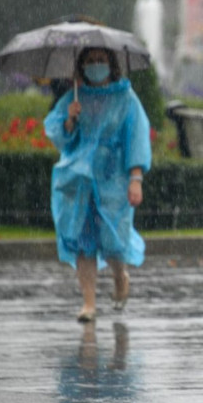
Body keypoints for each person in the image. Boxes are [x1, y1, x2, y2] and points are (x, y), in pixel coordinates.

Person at [45, 47, 151, 322]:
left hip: (113, 181)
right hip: (80, 182)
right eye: (90, 61)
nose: (95, 66)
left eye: (100, 60)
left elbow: (136, 138)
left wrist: (135, 179)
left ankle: (119, 275)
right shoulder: (73, 98)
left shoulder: (126, 99)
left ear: (111, 64)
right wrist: (70, 120)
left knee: (113, 241)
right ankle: (89, 304)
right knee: (84, 241)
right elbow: (60, 136)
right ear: (80, 67)